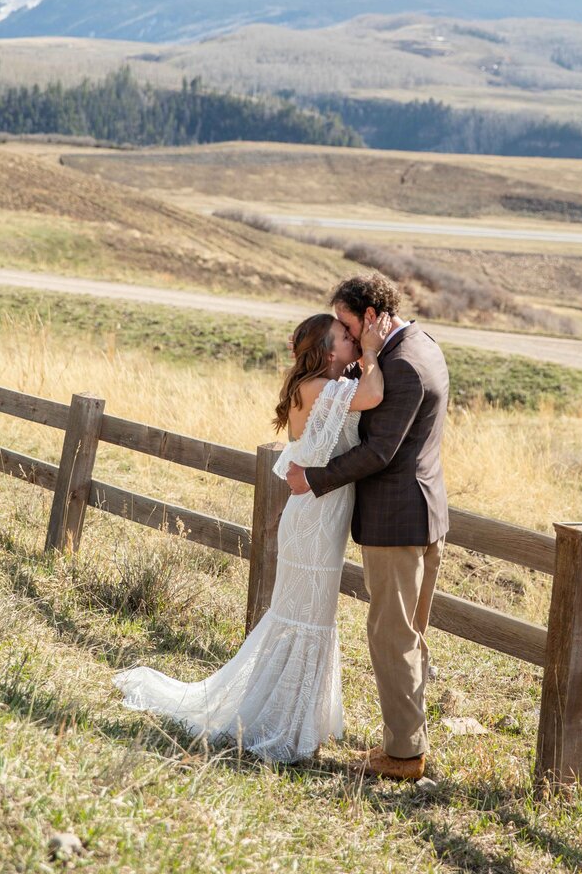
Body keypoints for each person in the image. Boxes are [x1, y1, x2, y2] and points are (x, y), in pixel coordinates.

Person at [113, 310, 389, 763]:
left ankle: (297, 717)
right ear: (325, 351)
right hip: (314, 519)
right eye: (344, 336)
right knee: (304, 619)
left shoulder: (332, 388)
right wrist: (375, 350)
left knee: (309, 617)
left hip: (324, 515)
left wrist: (364, 357)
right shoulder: (317, 389)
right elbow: (375, 394)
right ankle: (284, 723)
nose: (352, 340)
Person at [286, 273, 449, 781]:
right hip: (422, 512)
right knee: (408, 632)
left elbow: (379, 452)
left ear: (373, 317)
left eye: (349, 323)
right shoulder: (423, 343)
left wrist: (313, 478)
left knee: (391, 634)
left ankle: (402, 755)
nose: (345, 333)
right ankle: (411, 740)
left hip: (396, 520)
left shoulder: (401, 365)